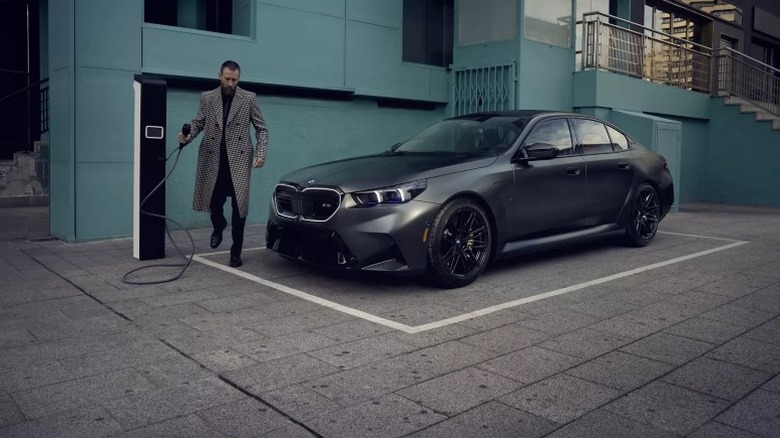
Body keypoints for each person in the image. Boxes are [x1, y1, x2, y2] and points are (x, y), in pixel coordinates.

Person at [177, 60, 269, 268]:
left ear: (238, 79)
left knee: (239, 209)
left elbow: (261, 129)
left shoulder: (249, 98)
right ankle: (218, 226)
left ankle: (235, 252)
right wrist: (187, 136)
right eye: (227, 79)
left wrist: (261, 153)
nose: (230, 83)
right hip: (213, 159)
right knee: (213, 202)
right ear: (219, 75)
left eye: (234, 80)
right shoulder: (207, 97)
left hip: (238, 159)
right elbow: (198, 123)